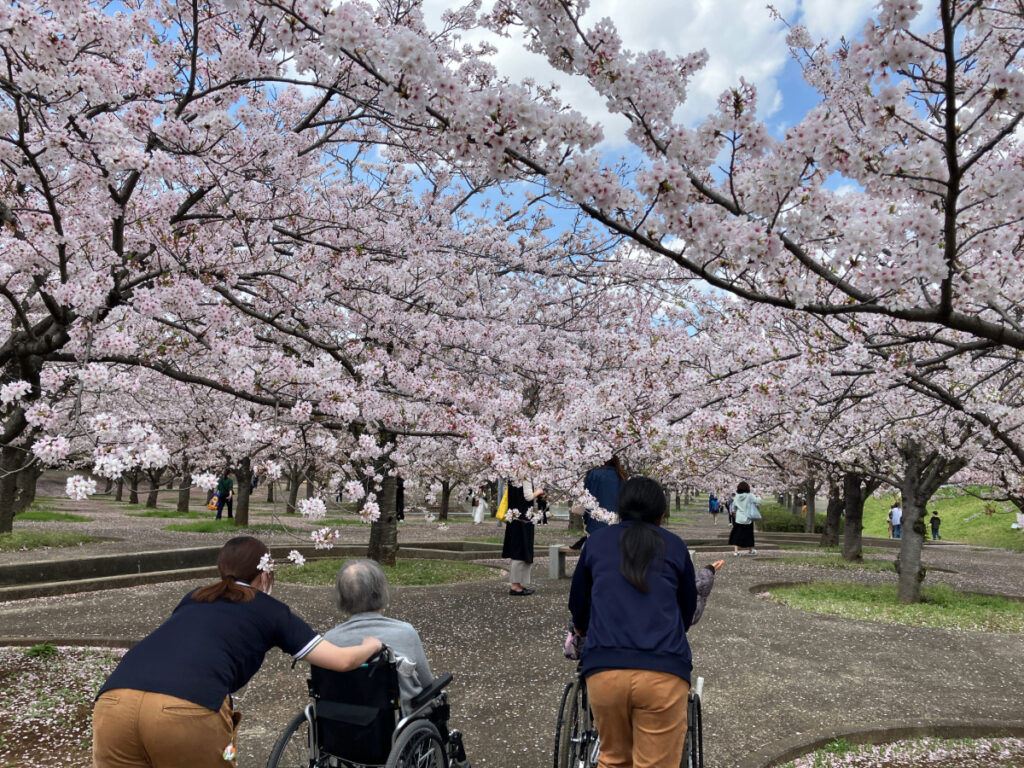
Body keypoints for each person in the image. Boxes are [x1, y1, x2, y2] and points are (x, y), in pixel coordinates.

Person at [92, 536, 382, 768]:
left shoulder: (195, 597)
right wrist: (371, 645)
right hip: (187, 707)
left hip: (114, 701)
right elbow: (342, 661)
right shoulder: (271, 611)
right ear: (266, 572)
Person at [568, 476, 720, 768]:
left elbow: (579, 607)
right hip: (662, 671)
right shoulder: (675, 547)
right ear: (661, 513)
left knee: (612, 759)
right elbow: (686, 613)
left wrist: (585, 631)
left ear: (618, 509)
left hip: (605, 670)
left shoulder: (596, 543)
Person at [324, 559, 433, 712]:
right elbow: (427, 683)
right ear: (380, 593)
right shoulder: (405, 633)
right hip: (401, 725)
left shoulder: (329, 641)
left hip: (345, 727)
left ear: (341, 598)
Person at [501, 478, 544, 596]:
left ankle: (517, 584)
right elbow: (528, 496)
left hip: (514, 516)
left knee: (517, 549)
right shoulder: (524, 475)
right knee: (521, 551)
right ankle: (515, 586)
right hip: (523, 518)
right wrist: (539, 491)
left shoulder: (513, 475)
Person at [583, 456, 627, 535]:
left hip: (595, 523)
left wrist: (586, 519)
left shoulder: (594, 474)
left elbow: (586, 499)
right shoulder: (622, 477)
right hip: (616, 524)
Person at [729, 481, 761, 556]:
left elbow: (734, 507)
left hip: (739, 519)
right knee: (749, 535)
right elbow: (758, 501)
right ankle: (750, 550)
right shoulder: (750, 495)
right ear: (747, 488)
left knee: (737, 535)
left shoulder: (736, 496)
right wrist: (758, 496)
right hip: (748, 519)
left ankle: (736, 551)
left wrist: (734, 513)